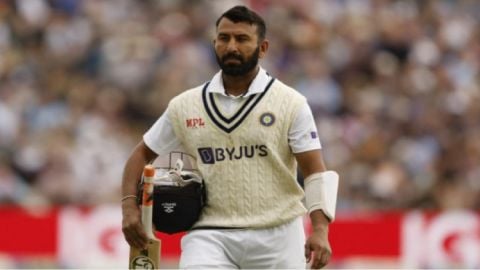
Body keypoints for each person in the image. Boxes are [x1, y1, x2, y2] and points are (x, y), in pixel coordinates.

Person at [121, 5, 339, 269]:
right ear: (214, 43)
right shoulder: (185, 105)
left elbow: (315, 172)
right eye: (224, 38)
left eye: (242, 39)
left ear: (263, 48)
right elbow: (141, 155)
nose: (232, 46)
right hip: (210, 233)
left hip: (279, 233)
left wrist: (320, 229)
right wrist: (129, 207)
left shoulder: (291, 103)